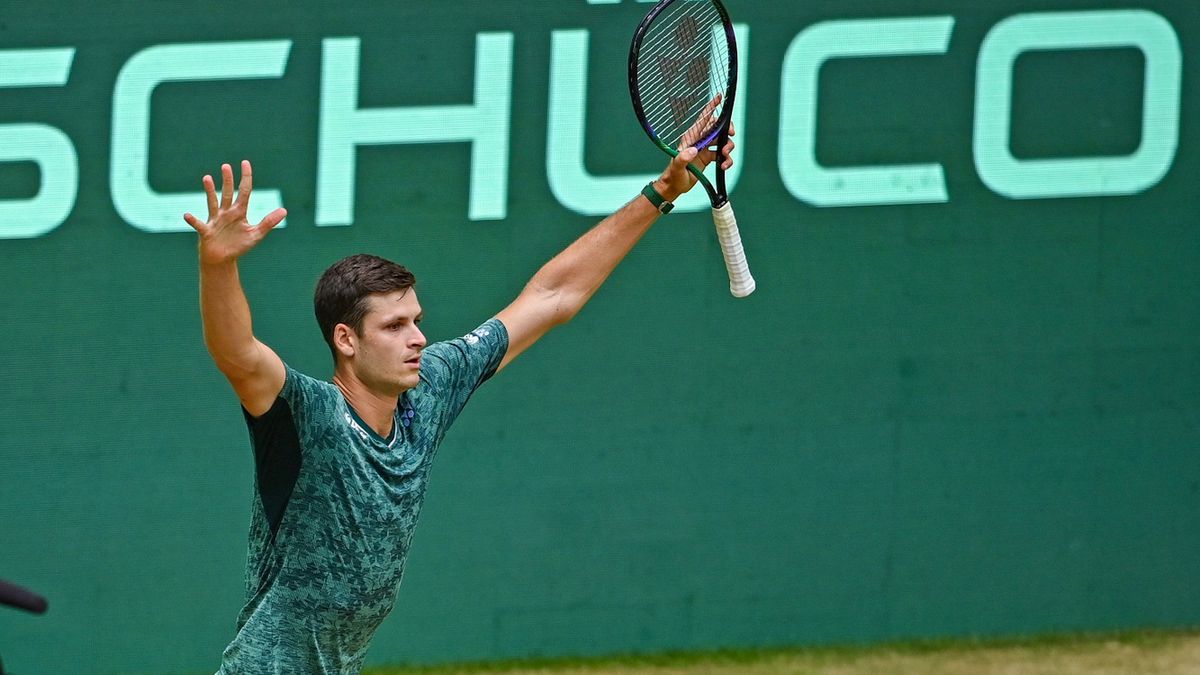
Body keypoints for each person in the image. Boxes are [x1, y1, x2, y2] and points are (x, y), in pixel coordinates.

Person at [184, 124, 735, 674]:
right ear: (346, 340)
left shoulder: (428, 389)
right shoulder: (310, 417)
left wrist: (662, 192)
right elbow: (237, 352)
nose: (418, 338)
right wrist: (218, 264)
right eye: (395, 326)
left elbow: (551, 296)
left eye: (416, 321)